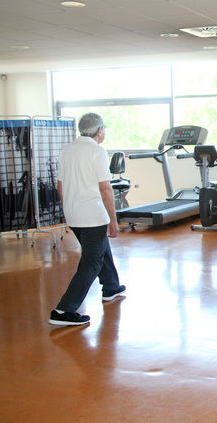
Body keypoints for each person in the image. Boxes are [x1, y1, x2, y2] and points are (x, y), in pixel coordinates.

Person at [49, 113, 126, 326]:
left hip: (74, 214)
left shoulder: (68, 149)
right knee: (91, 261)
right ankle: (64, 309)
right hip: (93, 215)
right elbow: (105, 188)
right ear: (100, 131)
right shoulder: (97, 151)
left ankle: (111, 286)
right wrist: (113, 219)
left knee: (100, 249)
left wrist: (68, 209)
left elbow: (60, 185)